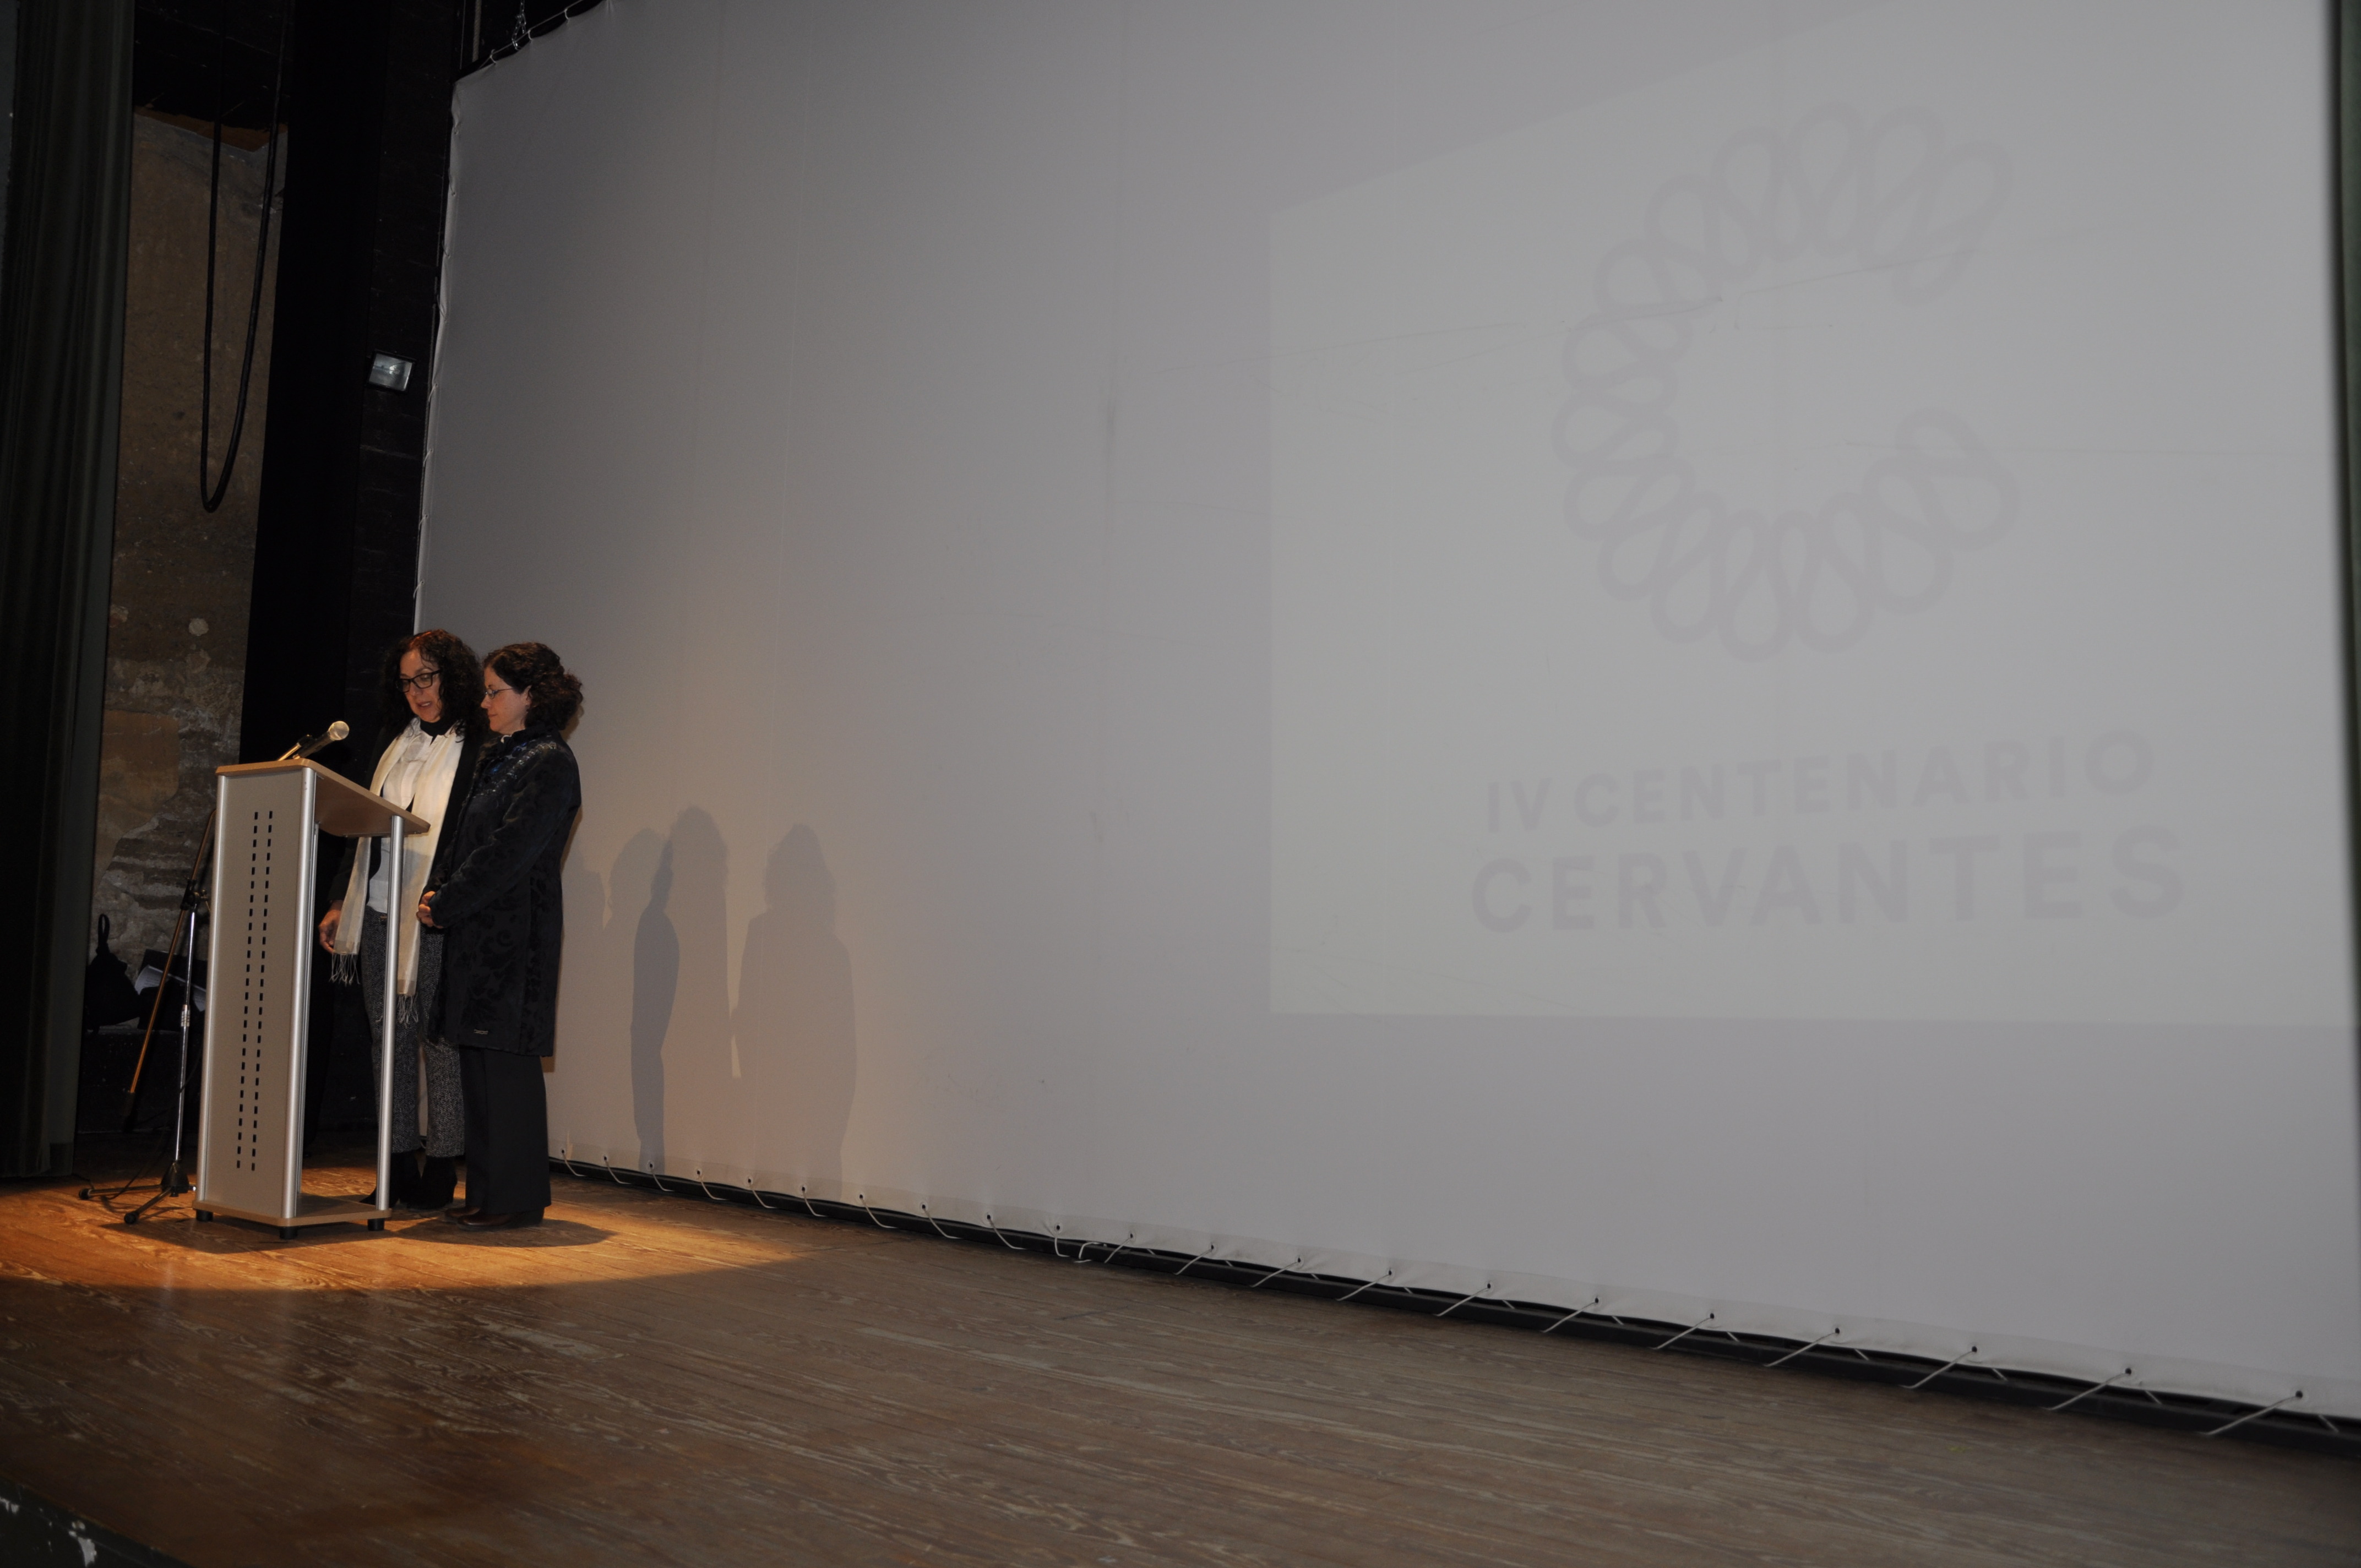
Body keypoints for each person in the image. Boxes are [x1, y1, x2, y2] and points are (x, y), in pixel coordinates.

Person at [318, 630, 487, 1210]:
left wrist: (449, 896)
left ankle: (442, 1165)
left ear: (453, 677)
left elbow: (474, 835)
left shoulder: (476, 745)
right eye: (407, 681)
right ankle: (393, 1165)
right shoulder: (395, 742)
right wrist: (340, 900)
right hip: (377, 906)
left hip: (435, 914)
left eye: (427, 678)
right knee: (385, 1038)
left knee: (437, 1039)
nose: (417, 692)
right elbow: (362, 826)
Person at [420, 643, 584, 1229]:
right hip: (480, 932)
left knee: (506, 1065)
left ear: (531, 696)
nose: (485, 702)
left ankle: (514, 1198)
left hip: (517, 937)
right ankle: (487, 1194)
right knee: (479, 1061)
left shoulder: (549, 761)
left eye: (495, 692)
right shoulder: (503, 755)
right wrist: (440, 889)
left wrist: (448, 901)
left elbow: (508, 852)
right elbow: (464, 839)